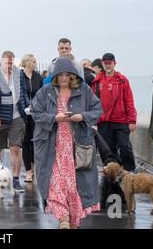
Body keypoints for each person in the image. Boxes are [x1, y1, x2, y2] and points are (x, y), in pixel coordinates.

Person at [31, 57, 102, 229]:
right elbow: (35, 111)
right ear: (55, 76)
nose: (64, 78)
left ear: (73, 76)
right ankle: (63, 219)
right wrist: (54, 118)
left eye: (67, 75)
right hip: (51, 145)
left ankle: (72, 219)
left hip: (75, 145)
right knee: (54, 182)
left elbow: (97, 109)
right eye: (60, 75)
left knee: (73, 185)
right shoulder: (46, 91)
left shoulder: (83, 90)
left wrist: (82, 117)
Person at [0, 50, 30, 192]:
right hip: (1, 117)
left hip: (17, 116)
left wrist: (26, 105)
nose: (9, 65)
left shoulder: (18, 73)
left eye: (11, 62)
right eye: (7, 63)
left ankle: (16, 180)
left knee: (15, 148)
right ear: (1, 61)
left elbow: (22, 92)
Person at [91, 53, 137, 171]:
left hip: (121, 120)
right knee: (108, 151)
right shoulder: (97, 81)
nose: (108, 65)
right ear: (102, 64)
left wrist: (132, 120)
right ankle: (113, 176)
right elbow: (93, 102)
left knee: (125, 146)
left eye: (110, 63)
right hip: (104, 121)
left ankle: (130, 171)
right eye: (105, 63)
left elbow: (129, 100)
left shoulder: (122, 80)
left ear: (114, 63)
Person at [20, 54, 43, 183]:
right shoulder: (19, 77)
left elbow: (41, 93)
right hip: (23, 113)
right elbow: (18, 94)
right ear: (27, 62)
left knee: (36, 140)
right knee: (26, 142)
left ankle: (35, 167)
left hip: (35, 112)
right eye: (34, 61)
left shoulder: (38, 77)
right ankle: (28, 171)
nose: (35, 63)